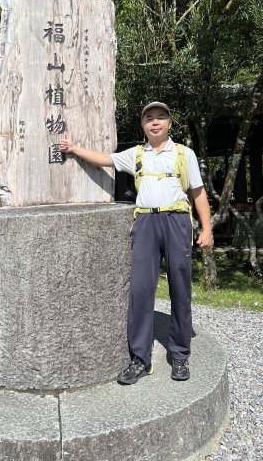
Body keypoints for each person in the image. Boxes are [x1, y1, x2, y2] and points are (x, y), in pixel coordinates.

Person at [60, 102, 212, 384]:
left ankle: (179, 355)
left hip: (177, 220)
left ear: (169, 123)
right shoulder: (137, 154)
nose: (155, 122)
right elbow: (105, 159)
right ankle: (140, 358)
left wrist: (207, 228)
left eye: (161, 117)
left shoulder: (183, 154)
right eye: (149, 118)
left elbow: (198, 192)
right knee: (141, 289)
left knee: (181, 287)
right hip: (145, 223)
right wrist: (74, 149)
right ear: (143, 126)